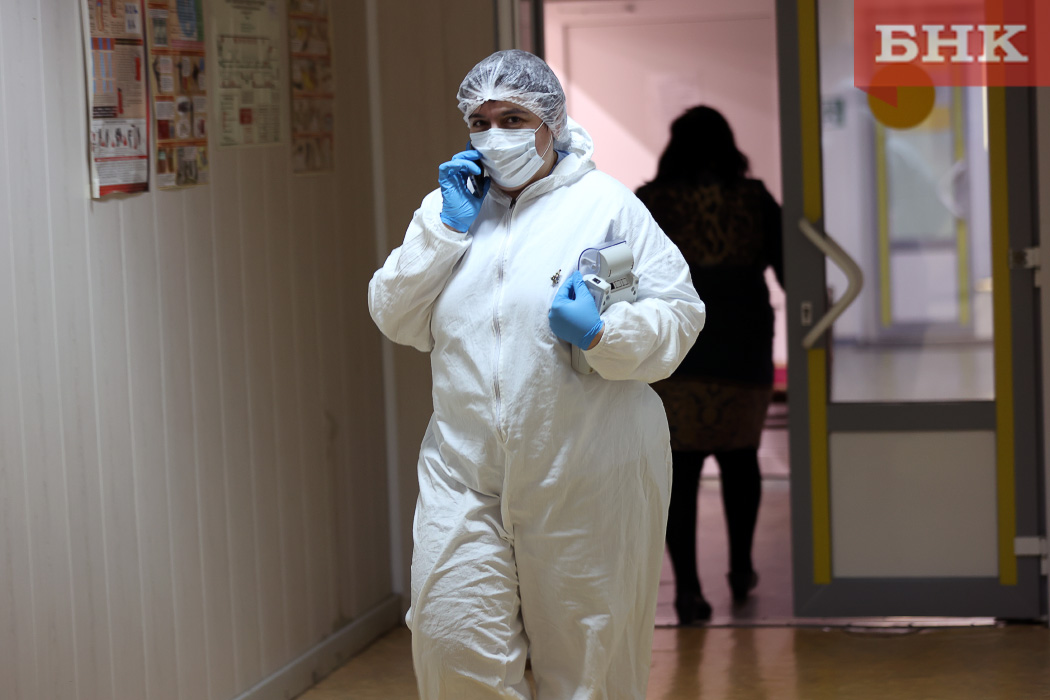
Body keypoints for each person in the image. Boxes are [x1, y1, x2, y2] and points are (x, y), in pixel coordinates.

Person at [368, 50, 705, 699]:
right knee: (450, 643)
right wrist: (444, 233)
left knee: (589, 670)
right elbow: (395, 316)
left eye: (513, 118)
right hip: (466, 474)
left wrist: (606, 335)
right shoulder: (450, 209)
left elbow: (679, 316)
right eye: (481, 121)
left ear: (551, 122)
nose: (495, 135)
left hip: (587, 473)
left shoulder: (606, 208)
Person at [636, 106, 784, 625]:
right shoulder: (754, 199)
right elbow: (791, 270)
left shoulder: (652, 201)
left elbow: (623, 276)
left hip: (676, 350)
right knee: (742, 459)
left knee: (681, 469)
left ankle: (688, 591)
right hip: (744, 345)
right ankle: (741, 569)